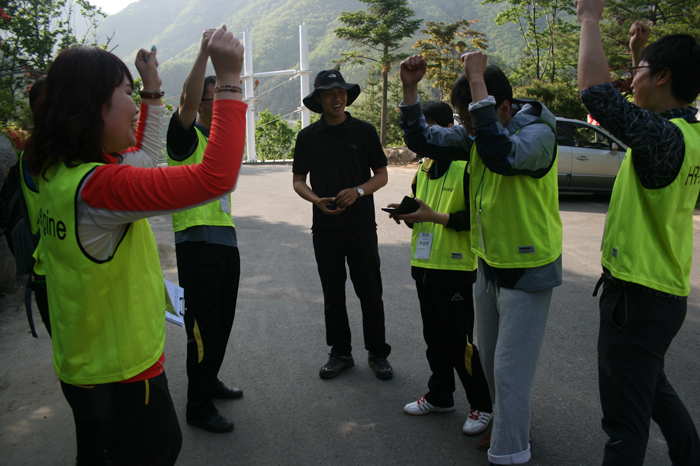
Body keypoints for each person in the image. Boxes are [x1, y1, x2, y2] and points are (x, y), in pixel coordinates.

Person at [25, 27, 246, 465]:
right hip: (122, 376)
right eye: (126, 93)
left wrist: (150, 88)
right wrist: (229, 81)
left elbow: (144, 158)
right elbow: (215, 178)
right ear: (91, 105)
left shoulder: (59, 170)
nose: (133, 104)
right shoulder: (100, 188)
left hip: (88, 367)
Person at [399, 54, 562, 465]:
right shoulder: (478, 133)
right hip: (489, 264)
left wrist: (476, 82)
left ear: (502, 108)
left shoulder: (538, 135)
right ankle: (511, 423)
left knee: (509, 369)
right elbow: (424, 139)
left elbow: (501, 155)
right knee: (489, 364)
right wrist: (410, 90)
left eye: (471, 120)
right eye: (464, 122)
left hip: (528, 268)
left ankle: (510, 451)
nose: (467, 130)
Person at [576, 2, 700, 464]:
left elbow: (597, 95)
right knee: (654, 389)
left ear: (664, 76)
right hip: (665, 293)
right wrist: (638, 55)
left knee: (624, 424)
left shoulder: (661, 139)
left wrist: (589, 18)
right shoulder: (687, 134)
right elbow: (640, 113)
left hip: (637, 296)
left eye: (641, 72)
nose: (632, 81)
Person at [23, 64, 164, 339]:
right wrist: (151, 90)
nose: (132, 107)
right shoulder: (95, 179)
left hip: (49, 269)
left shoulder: (40, 161)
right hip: (82, 275)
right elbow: (211, 178)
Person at [389, 100, 493, 435]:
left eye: (428, 129)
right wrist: (406, 215)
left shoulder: (468, 164)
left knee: (459, 343)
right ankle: (440, 395)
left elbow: (478, 219)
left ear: (447, 129)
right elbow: (421, 209)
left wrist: (434, 217)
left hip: (455, 267)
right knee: (434, 339)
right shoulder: (423, 167)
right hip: (423, 264)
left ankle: (482, 405)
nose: (422, 138)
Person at [292, 69, 393, 380]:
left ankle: (378, 353)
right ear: (319, 100)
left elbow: (381, 175)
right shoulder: (307, 137)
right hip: (325, 227)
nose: (337, 98)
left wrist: (358, 191)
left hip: (361, 225)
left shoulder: (364, 131)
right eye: (329, 93)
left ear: (346, 96)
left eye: (341, 92)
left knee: (370, 290)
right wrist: (316, 200)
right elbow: (298, 181)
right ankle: (340, 353)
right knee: (332, 293)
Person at [166, 28, 243, 434]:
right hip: (196, 243)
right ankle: (197, 407)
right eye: (216, 96)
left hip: (225, 241)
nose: (219, 102)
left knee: (222, 323)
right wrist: (202, 54)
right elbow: (186, 101)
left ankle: (209, 380)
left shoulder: (219, 143)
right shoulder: (185, 137)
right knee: (201, 327)